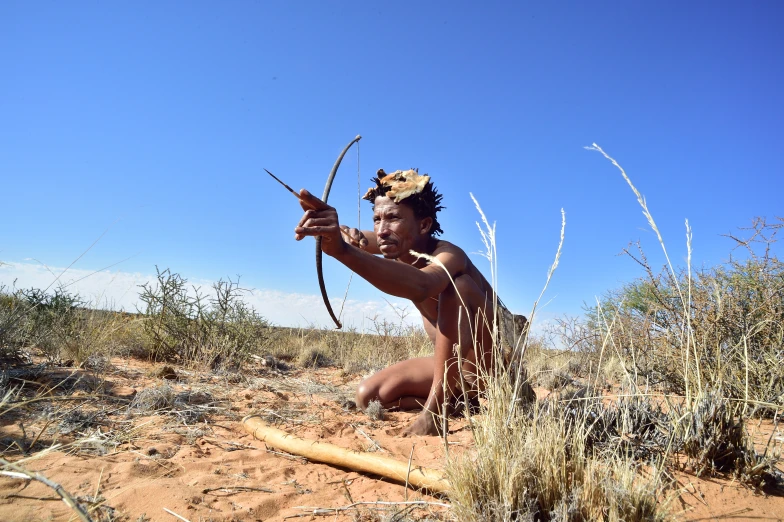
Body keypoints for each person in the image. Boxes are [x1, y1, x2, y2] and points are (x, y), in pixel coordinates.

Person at [294, 168, 527, 436]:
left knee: (457, 286)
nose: (381, 230)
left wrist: (342, 251)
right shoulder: (393, 240)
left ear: (424, 225)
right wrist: (335, 233)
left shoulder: (450, 256)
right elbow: (359, 237)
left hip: (494, 371)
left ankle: (436, 411)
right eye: (376, 218)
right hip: (455, 374)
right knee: (367, 395)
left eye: (393, 218)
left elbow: (423, 284)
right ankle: (461, 402)